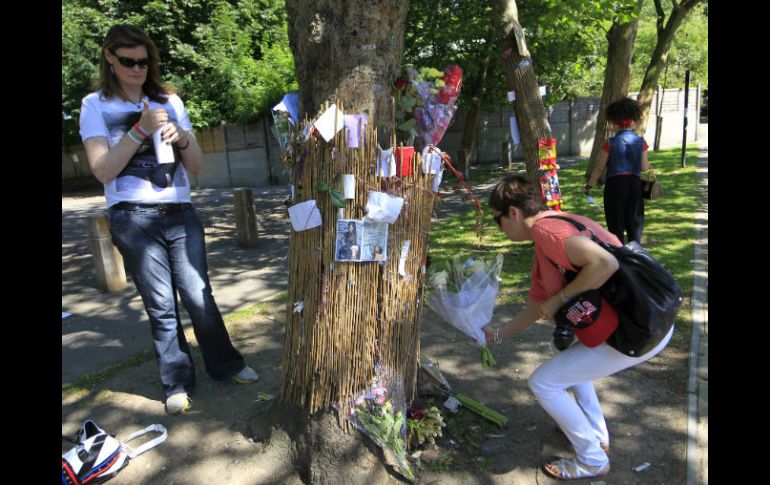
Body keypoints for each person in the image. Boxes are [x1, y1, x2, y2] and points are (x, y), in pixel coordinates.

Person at [79, 24, 259, 416]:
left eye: (144, 61)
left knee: (198, 295)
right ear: (109, 58)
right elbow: (103, 171)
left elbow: (194, 165)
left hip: (180, 210)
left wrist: (180, 137)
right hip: (132, 215)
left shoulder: (169, 100)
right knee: (160, 304)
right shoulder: (95, 105)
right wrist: (139, 129)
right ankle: (176, 381)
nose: (137, 69)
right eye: (128, 61)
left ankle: (226, 365)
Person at [484, 174, 673, 480]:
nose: (500, 228)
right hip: (649, 320)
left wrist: (559, 299)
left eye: (498, 220)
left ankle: (592, 460)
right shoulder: (556, 228)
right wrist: (496, 335)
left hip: (637, 331)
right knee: (567, 359)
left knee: (543, 383)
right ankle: (597, 435)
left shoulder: (548, 232)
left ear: (514, 213)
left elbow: (605, 264)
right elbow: (534, 308)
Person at [582, 97, 651, 244]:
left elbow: (599, 168)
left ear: (614, 123)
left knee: (615, 222)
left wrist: (588, 186)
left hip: (614, 185)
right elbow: (644, 167)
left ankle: (618, 254)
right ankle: (635, 253)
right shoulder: (641, 142)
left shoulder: (610, 143)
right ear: (633, 120)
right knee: (635, 221)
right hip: (634, 184)